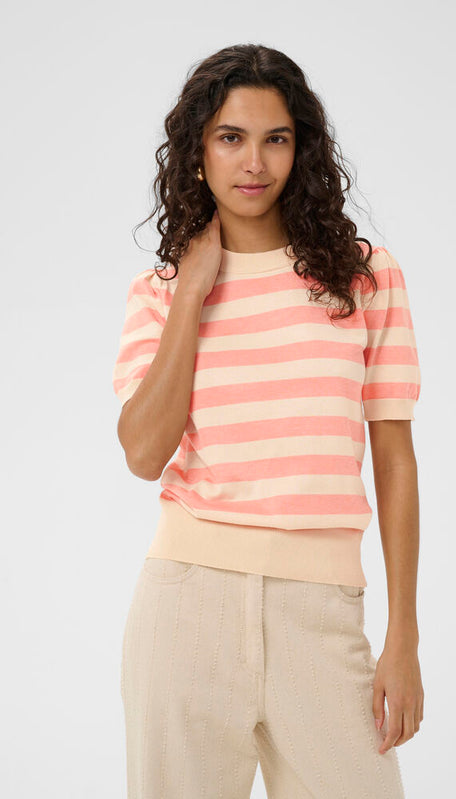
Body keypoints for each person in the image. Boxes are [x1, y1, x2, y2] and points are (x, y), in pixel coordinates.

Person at [112, 42, 424, 798]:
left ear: (300, 149)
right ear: (197, 153)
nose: (254, 162)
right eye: (231, 137)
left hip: (323, 615)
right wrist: (192, 292)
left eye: (275, 138)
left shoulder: (363, 277)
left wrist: (403, 636)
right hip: (186, 608)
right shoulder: (159, 292)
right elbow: (144, 453)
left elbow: (394, 459)